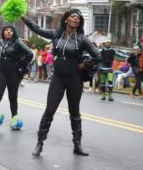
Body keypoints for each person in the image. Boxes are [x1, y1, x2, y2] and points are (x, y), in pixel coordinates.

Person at [21, 9, 101, 157]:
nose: (76, 19)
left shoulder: (82, 39)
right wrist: (26, 20)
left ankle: (77, 145)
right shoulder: (56, 34)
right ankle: (39, 143)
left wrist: (84, 65)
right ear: (66, 19)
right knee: (49, 110)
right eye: (73, 16)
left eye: (78, 17)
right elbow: (38, 30)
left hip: (74, 79)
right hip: (58, 78)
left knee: (74, 112)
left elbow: (97, 56)